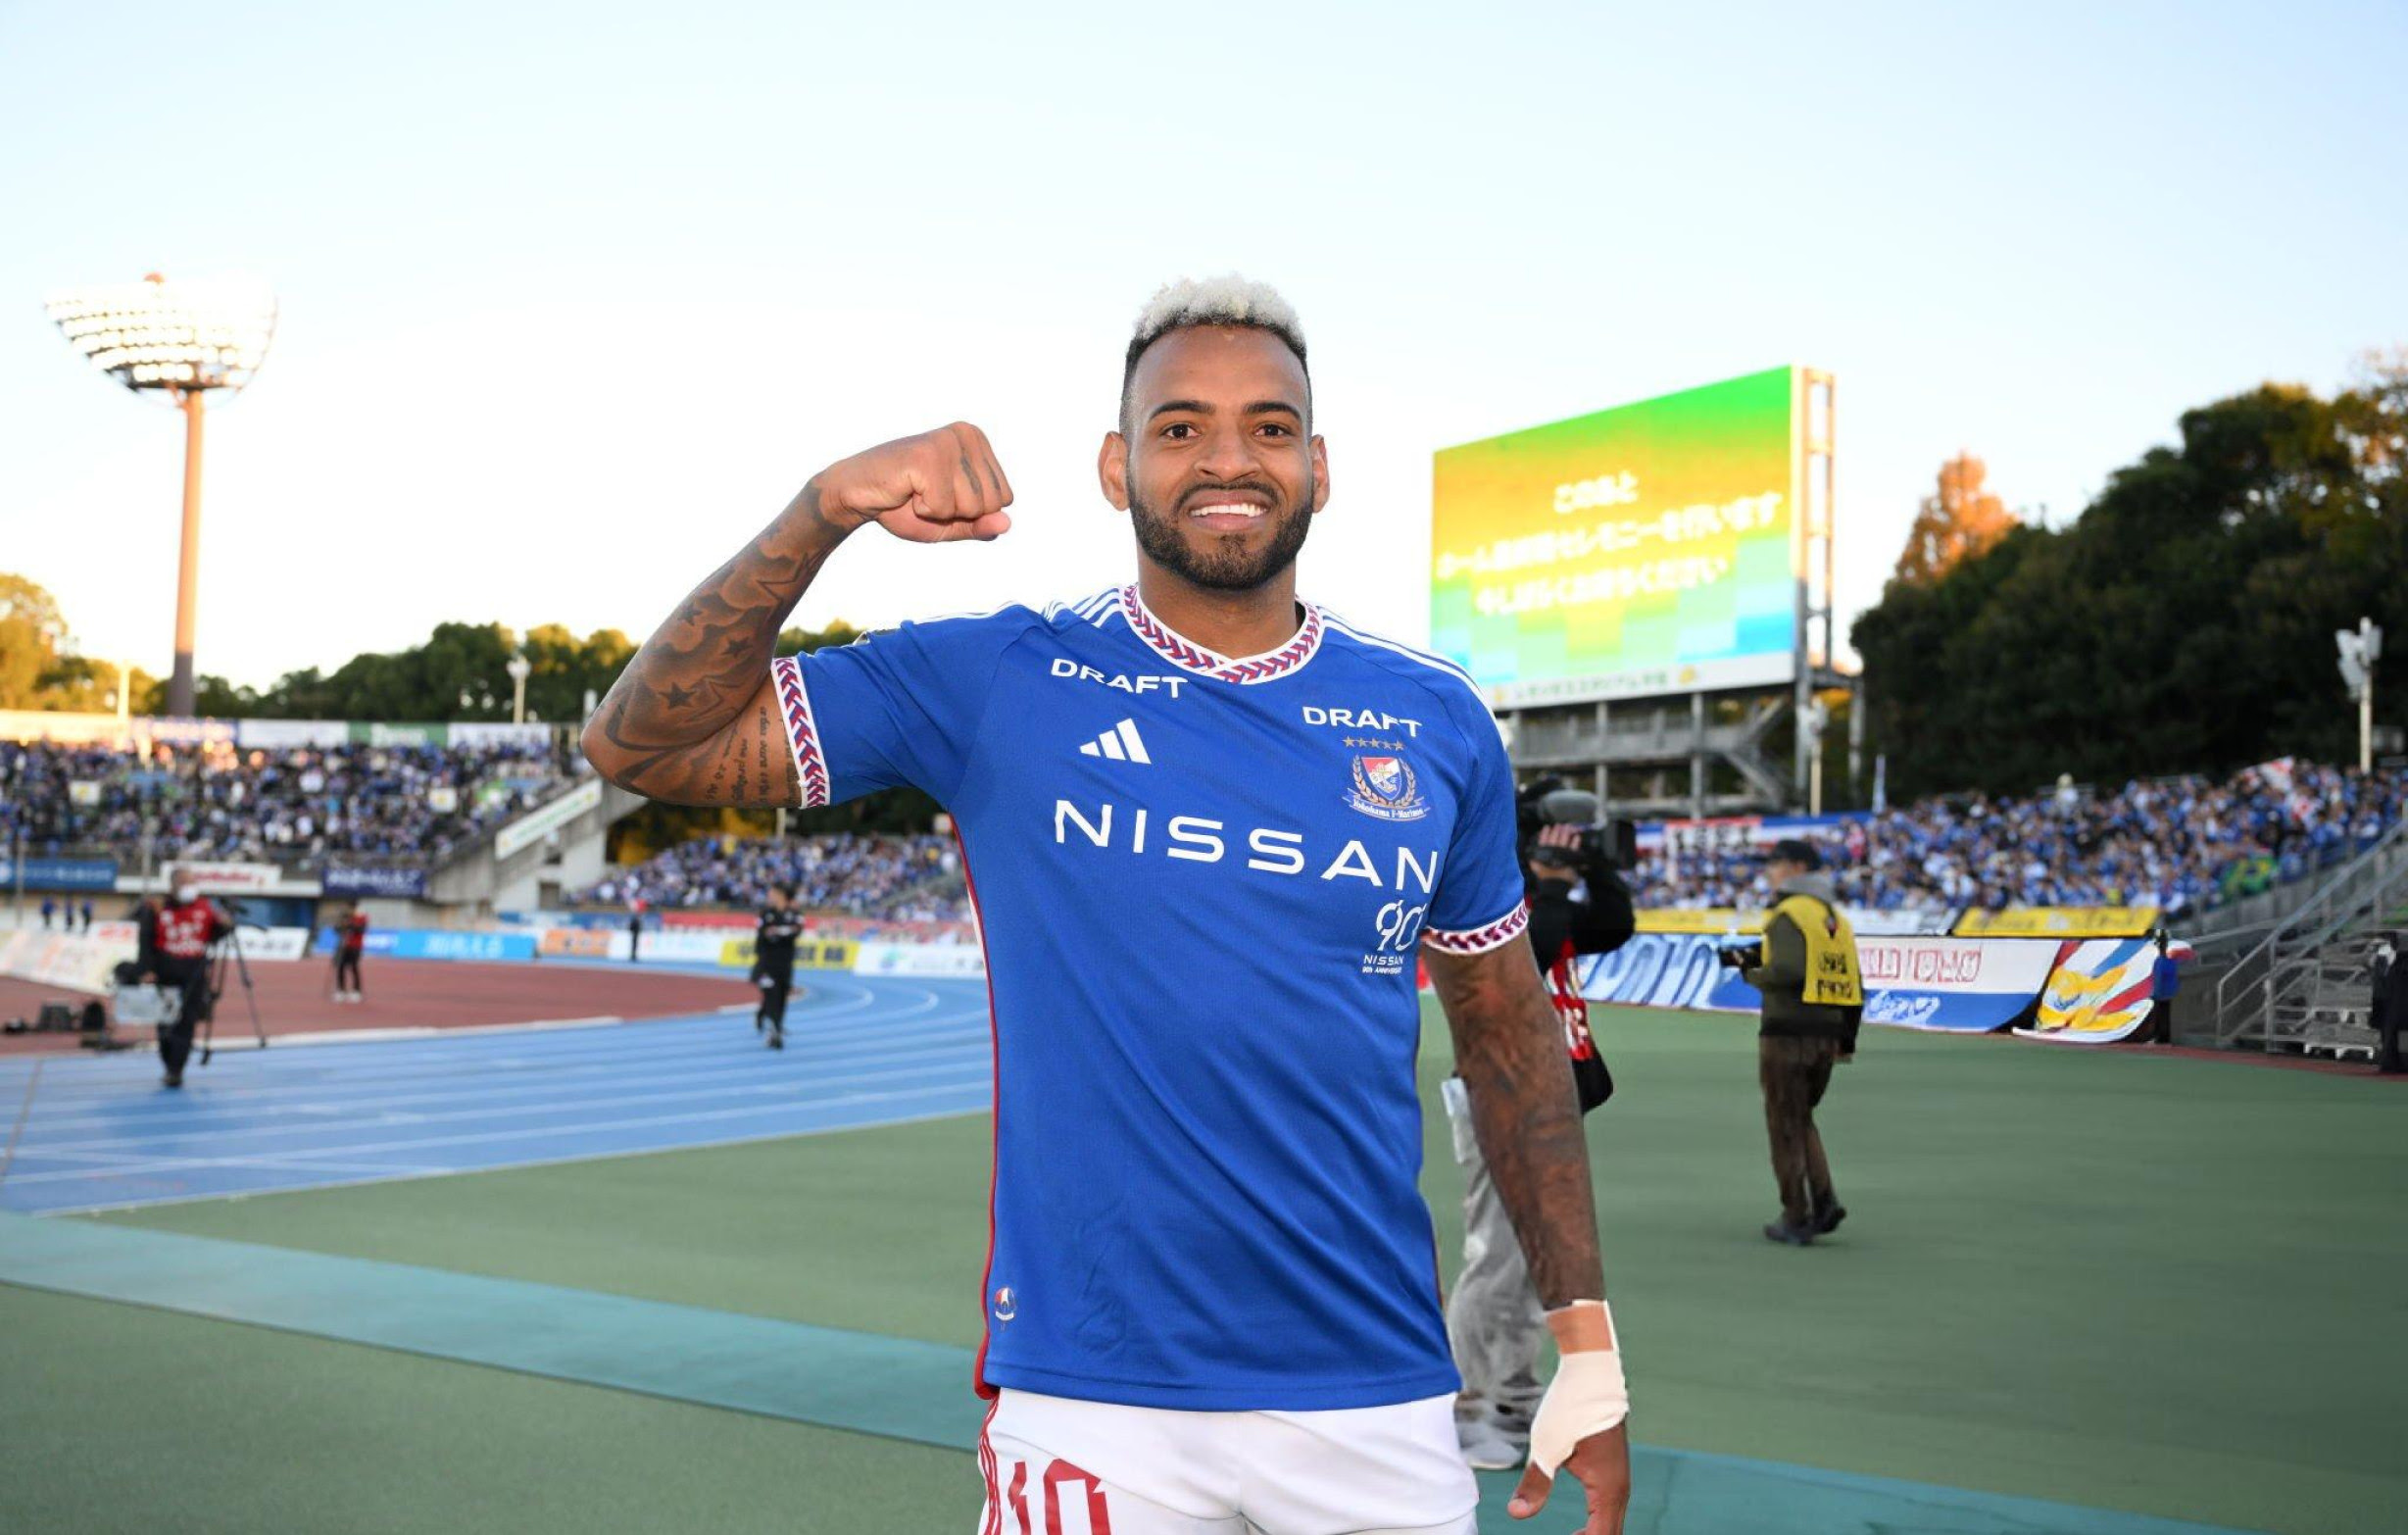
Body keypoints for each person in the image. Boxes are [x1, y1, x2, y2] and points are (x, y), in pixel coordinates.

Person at [581, 277, 1634, 1535]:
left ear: (1322, 465)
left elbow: (1509, 1036)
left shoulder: (1435, 716)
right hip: (1092, 1407)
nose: (1229, 459)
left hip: (1376, 1404)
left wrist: (1587, 1344)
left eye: (1271, 426)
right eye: (1180, 427)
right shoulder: (998, 678)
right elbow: (640, 745)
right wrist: (821, 516)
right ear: (1115, 465)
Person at [1448, 817, 1635, 1471]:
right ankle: (1471, 1407)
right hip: (1503, 1095)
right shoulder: (1495, 904)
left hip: (1548, 1098)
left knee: (1536, 1263)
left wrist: (1597, 870)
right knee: (1498, 1259)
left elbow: (1611, 928)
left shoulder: (1544, 897)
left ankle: (1513, 1399)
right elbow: (1538, 942)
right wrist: (1552, 879)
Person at [1739, 839, 1863, 1246]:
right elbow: (1855, 984)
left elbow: (1788, 971)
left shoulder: (1788, 914)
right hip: (1827, 1032)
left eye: (1774, 864)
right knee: (1801, 1117)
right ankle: (1824, 1200)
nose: (1769, 872)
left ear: (1795, 867)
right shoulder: (1835, 919)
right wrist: (1847, 1037)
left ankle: (1797, 1214)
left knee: (1783, 1124)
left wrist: (1750, 971)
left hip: (1787, 1032)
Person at [134, 867, 233, 1088]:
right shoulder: (157, 907)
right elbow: (145, 939)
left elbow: (217, 934)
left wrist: (226, 923)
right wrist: (146, 969)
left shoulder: (205, 907)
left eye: (192, 882)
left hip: (194, 973)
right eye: (184, 882)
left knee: (187, 1023)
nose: (190, 887)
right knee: (166, 1023)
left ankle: (176, 1069)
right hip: (166, 971)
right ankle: (169, 1062)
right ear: (173, 885)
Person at [750, 885, 801, 1049]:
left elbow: (796, 931)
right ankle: (774, 1031)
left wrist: (777, 932)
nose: (770, 896)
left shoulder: (794, 914)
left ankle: (768, 1019)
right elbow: (763, 934)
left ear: (782, 895)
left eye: (773, 893)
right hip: (766, 964)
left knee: (781, 997)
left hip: (785, 963)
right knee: (771, 994)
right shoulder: (766, 913)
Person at [332, 907, 369, 1003]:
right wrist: (342, 926)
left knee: (354, 967)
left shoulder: (362, 918)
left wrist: (351, 925)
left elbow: (361, 930)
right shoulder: (344, 917)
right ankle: (340, 990)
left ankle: (356, 991)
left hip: (355, 947)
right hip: (343, 946)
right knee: (341, 967)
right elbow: (336, 928)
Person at [626, 900, 645, 964]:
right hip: (634, 934)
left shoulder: (637, 921)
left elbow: (639, 927)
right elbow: (631, 927)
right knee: (634, 945)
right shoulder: (635, 920)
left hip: (636, 934)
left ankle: (634, 956)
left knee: (635, 945)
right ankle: (633, 956)